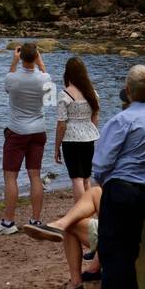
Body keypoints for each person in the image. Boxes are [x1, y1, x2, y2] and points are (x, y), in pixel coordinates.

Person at [71, 64, 145, 289]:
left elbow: (102, 162)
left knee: (112, 250)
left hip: (122, 188)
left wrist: (99, 185)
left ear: (128, 91)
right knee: (128, 249)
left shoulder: (122, 120)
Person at [0, 42, 52, 238]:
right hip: (38, 130)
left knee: (10, 176)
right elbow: (49, 101)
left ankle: (8, 222)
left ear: (21, 57)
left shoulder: (12, 78)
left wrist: (13, 63)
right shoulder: (46, 78)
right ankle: (36, 219)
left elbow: (8, 85)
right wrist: (41, 66)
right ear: (37, 56)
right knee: (35, 175)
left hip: (17, 131)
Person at [24, 184, 103, 289]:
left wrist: (94, 268)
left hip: (121, 241)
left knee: (95, 192)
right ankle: (60, 224)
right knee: (94, 190)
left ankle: (76, 283)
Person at [53, 56, 100, 201]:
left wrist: (56, 147)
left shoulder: (64, 94)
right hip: (89, 137)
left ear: (67, 73)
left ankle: (80, 212)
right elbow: (95, 119)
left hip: (71, 139)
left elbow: (61, 124)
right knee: (86, 178)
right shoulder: (92, 93)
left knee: (76, 178)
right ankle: (89, 212)